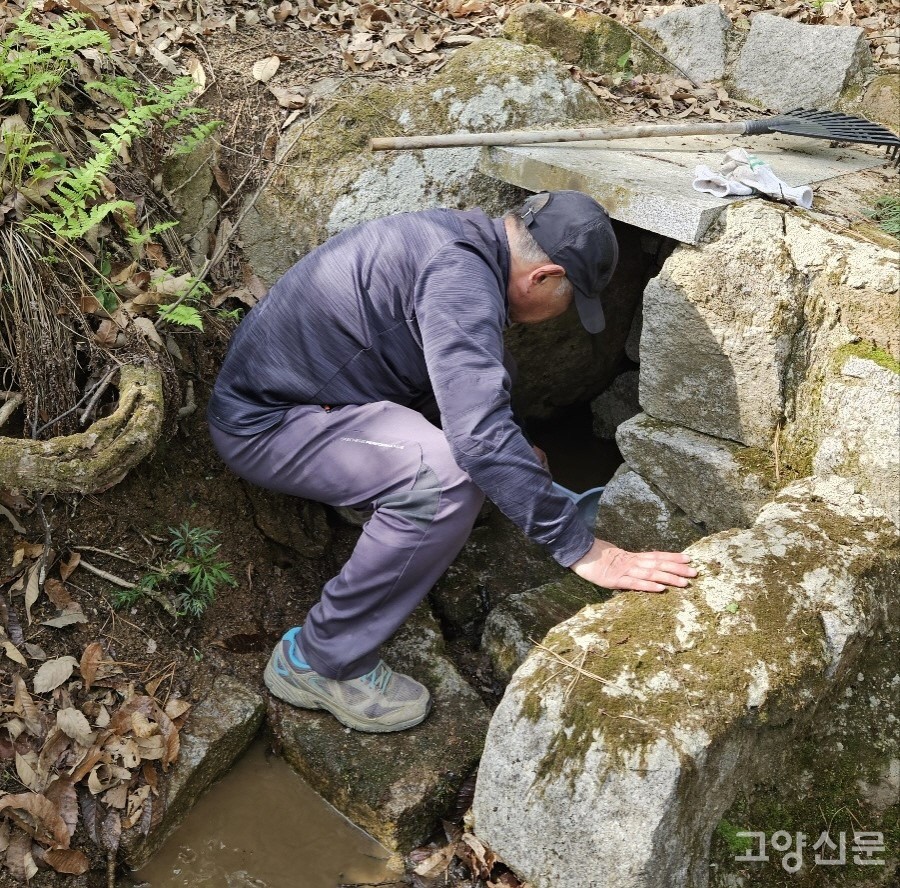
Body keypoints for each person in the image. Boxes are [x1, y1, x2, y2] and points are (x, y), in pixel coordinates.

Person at [207, 190, 696, 734]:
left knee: (489, 418)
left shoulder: (462, 242)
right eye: (570, 300)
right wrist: (582, 548)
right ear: (544, 276)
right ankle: (319, 660)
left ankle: (386, 504)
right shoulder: (459, 278)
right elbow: (478, 438)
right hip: (268, 422)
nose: (557, 320)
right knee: (444, 479)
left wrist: (515, 451)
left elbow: (478, 388)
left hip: (324, 397)